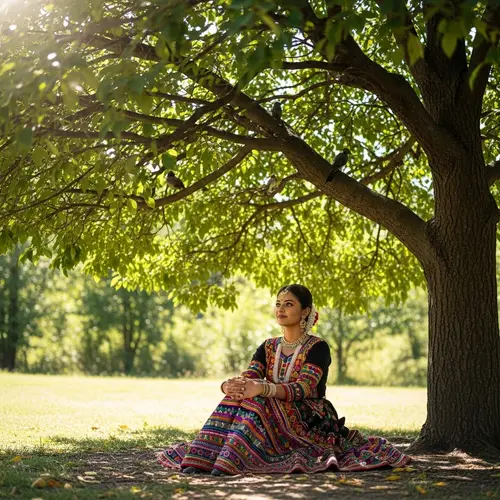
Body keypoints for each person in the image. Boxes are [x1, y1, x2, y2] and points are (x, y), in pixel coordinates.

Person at [157, 284, 411, 476]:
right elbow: (250, 376)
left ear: (306, 311)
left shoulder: (318, 347)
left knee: (258, 400)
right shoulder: (267, 346)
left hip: (310, 416)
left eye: (289, 304)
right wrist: (229, 385)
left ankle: (229, 462)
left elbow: (303, 388)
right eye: (278, 304)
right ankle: (202, 459)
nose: (281, 309)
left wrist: (262, 388)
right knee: (238, 397)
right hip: (271, 406)